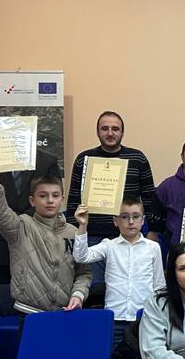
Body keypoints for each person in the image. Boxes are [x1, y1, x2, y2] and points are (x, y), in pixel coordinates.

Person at [0, 143, 91, 314]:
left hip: (64, 313)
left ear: (62, 199)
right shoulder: (21, 227)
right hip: (28, 312)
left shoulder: (73, 232)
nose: (50, 200)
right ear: (32, 201)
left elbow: (83, 273)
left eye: (55, 195)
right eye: (43, 196)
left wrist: (78, 295)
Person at [66, 111, 161, 285]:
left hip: (128, 238)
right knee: (95, 289)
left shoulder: (138, 158)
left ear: (122, 132)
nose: (110, 133)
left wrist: (152, 230)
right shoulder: (84, 159)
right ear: (98, 132)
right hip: (93, 237)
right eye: (105, 129)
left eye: (115, 129)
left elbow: (149, 198)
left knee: (127, 287)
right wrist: (76, 235)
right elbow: (73, 200)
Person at [73, 197, 165, 346]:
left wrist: (159, 317)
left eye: (136, 216)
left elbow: (159, 286)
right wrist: (83, 225)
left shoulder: (153, 247)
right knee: (113, 358)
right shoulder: (109, 246)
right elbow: (81, 257)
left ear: (143, 220)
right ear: (115, 221)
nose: (131, 222)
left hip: (144, 319)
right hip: (114, 318)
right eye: (124, 217)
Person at [0, 147, 60, 285]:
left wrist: (19, 222)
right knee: (4, 294)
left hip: (38, 240)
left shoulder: (47, 161)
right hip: (1, 245)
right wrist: (6, 220)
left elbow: (52, 196)